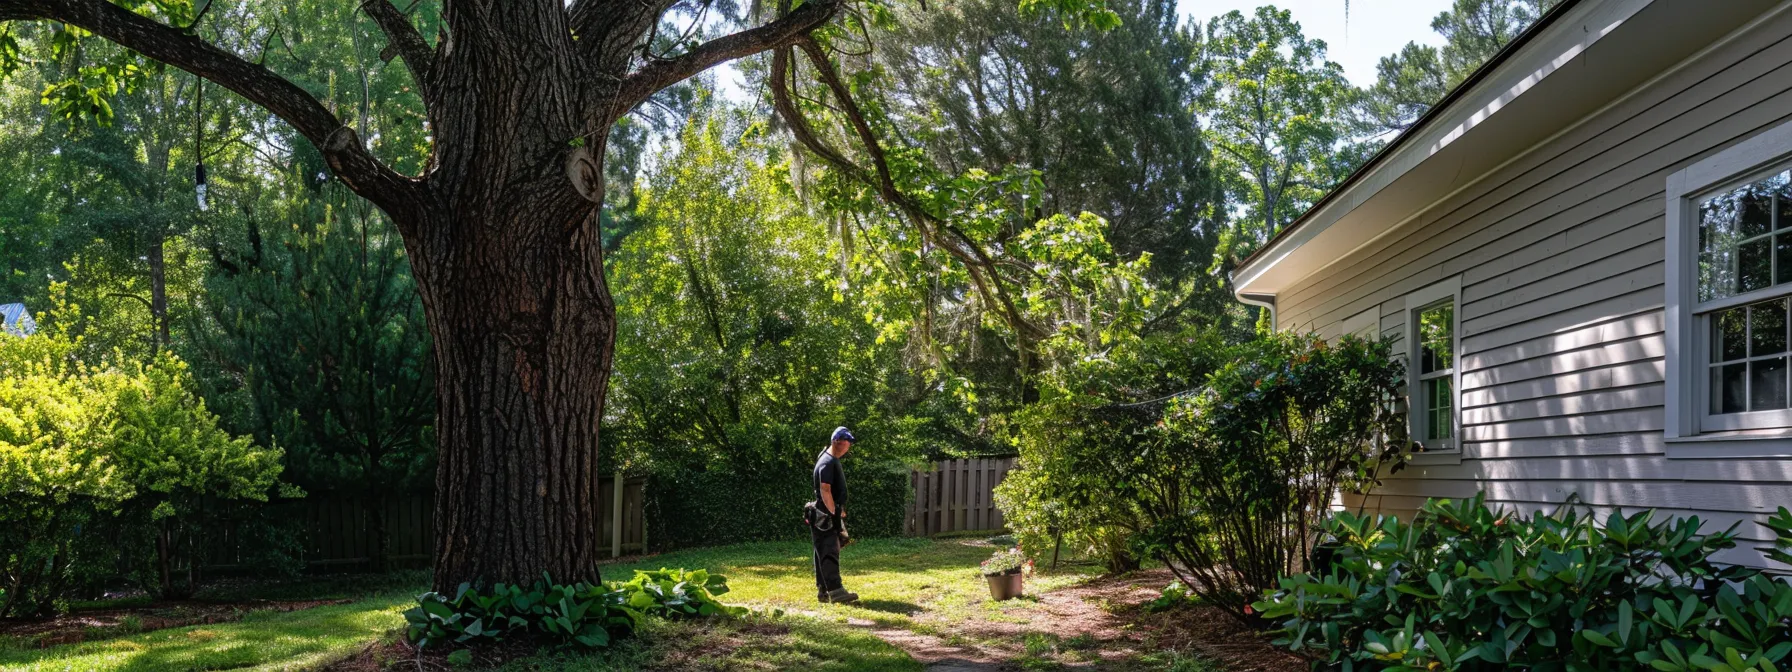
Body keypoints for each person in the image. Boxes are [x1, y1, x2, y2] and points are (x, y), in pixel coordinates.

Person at [812, 426, 859, 604]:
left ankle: (823, 591)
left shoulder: (828, 458)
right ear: (836, 442)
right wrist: (834, 514)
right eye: (846, 442)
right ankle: (837, 592)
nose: (848, 446)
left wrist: (840, 508)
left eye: (849, 443)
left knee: (822, 551)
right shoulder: (827, 462)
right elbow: (825, 490)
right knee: (830, 552)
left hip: (825, 512)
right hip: (825, 514)